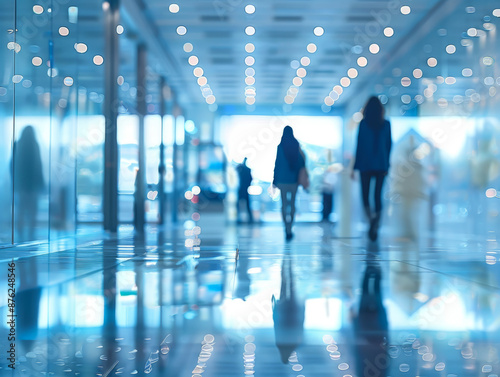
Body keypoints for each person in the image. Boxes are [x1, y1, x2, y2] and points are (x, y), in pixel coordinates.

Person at [353, 97, 392, 241]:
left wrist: (355, 166)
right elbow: (389, 145)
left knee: (365, 196)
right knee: (377, 196)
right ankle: (376, 223)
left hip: (365, 165)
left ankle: (371, 220)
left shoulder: (363, 124)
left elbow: (359, 146)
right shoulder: (386, 124)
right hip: (381, 164)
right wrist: (387, 164)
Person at [273, 126, 306, 240]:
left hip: (282, 181)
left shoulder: (280, 146)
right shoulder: (296, 146)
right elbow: (302, 162)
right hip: (293, 181)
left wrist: (274, 180)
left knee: (284, 205)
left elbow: (277, 164)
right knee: (292, 204)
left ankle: (285, 227)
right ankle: (290, 227)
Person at [13, 126, 45, 242]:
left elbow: (12, 164)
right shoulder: (34, 144)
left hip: (21, 183)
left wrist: (15, 182)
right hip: (32, 184)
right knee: (32, 210)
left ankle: (20, 233)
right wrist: (41, 184)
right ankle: (31, 233)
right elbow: (38, 165)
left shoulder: (18, 144)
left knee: (21, 209)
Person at [236, 158, 254, 223]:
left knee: (239, 205)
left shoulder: (241, 169)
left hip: (242, 189)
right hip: (244, 189)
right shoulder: (247, 170)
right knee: (246, 205)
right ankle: (250, 218)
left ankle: (238, 217)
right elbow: (251, 179)